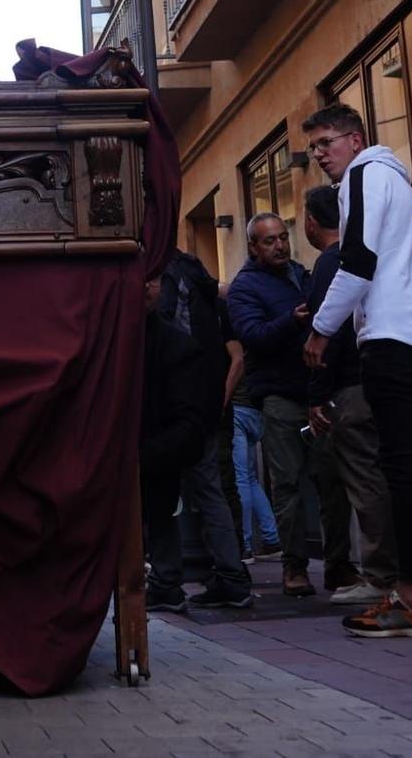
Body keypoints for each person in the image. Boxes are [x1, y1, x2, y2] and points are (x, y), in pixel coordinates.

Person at [301, 105, 412, 640]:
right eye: (314, 147)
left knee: (400, 467)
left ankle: (409, 598)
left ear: (356, 139)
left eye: (327, 142)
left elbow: (357, 258)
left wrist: (321, 328)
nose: (320, 154)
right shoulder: (401, 184)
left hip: (393, 337)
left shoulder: (364, 174)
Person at [229, 214, 352, 598]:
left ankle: (339, 566)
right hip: (280, 397)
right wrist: (291, 320)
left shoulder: (303, 274)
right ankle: (294, 567)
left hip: (317, 391)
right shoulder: (245, 287)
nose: (280, 245)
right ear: (254, 247)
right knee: (288, 484)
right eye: (270, 241)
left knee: (332, 481)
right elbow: (251, 336)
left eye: (283, 237)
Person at [300, 184, 399, 609]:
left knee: (364, 479)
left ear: (309, 221)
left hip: (350, 386)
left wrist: (318, 395)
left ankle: (381, 574)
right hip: (383, 374)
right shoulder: (367, 256)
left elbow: (331, 332)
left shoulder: (331, 264)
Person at [156, 253, 255, 611]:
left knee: (162, 490)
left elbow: (167, 335)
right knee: (210, 490)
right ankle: (231, 576)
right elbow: (234, 354)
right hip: (205, 403)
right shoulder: (205, 285)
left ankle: (166, 580)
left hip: (176, 403)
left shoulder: (167, 276)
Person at [224, 330, 280, 561]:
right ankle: (271, 539)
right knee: (250, 477)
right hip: (255, 410)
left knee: (240, 478)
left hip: (237, 409)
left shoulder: (233, 335)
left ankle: (244, 543)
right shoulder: (255, 334)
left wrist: (222, 398)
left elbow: (237, 363)